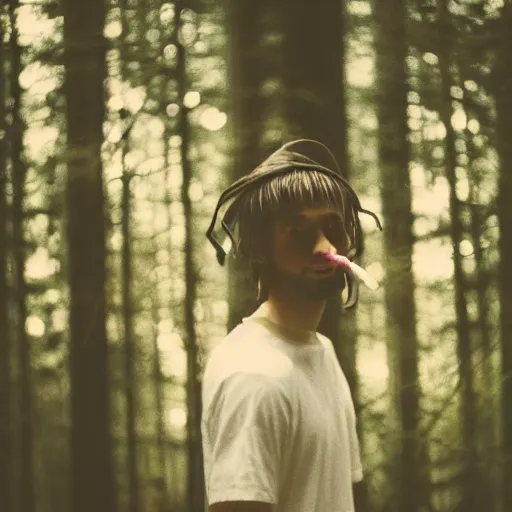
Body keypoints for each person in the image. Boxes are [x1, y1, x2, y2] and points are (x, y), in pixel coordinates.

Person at [202, 140, 381, 512]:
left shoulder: (321, 352)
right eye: (298, 231)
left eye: (333, 225)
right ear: (259, 247)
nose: (324, 246)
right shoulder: (253, 376)